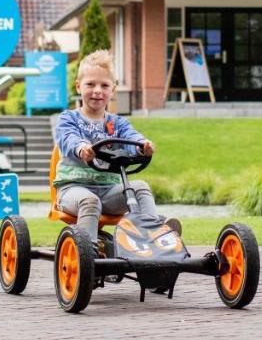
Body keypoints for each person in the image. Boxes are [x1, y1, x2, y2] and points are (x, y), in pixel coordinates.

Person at [53, 49, 179, 248]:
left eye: (104, 85)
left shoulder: (118, 123)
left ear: (113, 90)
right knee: (90, 201)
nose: (97, 90)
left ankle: (154, 234)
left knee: (140, 187)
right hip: (73, 190)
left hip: (108, 190)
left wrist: (142, 146)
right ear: (78, 86)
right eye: (90, 84)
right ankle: (88, 252)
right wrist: (81, 148)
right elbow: (68, 139)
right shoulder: (69, 119)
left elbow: (131, 138)